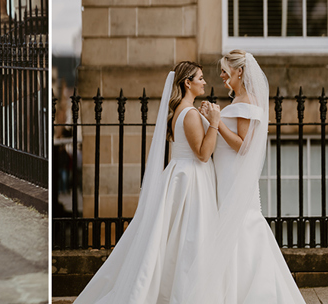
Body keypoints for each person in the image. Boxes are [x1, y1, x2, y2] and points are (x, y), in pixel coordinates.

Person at [74, 61, 221, 304]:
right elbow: (204, 154)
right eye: (200, 78)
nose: (204, 82)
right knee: (189, 237)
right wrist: (214, 121)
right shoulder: (190, 114)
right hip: (191, 178)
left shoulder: (181, 112)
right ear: (188, 83)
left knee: (173, 236)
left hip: (179, 174)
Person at [190, 50, 306, 303]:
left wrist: (217, 121)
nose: (220, 75)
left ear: (239, 71)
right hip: (225, 173)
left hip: (235, 175)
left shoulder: (247, 102)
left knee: (242, 225)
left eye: (224, 70)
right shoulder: (238, 101)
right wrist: (210, 117)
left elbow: (242, 146)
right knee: (229, 226)